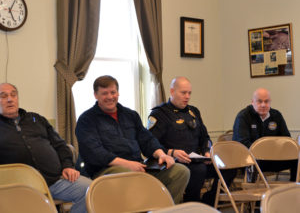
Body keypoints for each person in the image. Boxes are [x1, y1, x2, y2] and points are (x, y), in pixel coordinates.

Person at [75, 75, 190, 204]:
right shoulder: (86, 120)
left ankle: (163, 209)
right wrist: (127, 164)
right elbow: (94, 153)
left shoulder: (130, 115)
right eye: (104, 93)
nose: (110, 97)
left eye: (113, 92)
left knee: (180, 172)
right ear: (96, 95)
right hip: (105, 171)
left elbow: (147, 139)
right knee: (126, 173)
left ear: (118, 93)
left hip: (138, 167)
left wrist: (161, 154)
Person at [0, 83, 91, 213]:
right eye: (3, 96)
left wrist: (68, 166)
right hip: (19, 188)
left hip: (55, 181)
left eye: (13, 95)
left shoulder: (36, 119)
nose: (9, 99)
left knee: (91, 190)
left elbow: (60, 145)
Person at [148, 77, 236, 206]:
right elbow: (151, 144)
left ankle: (207, 203)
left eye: (189, 93)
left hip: (197, 159)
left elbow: (205, 137)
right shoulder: (160, 114)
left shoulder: (193, 111)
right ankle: (191, 205)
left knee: (229, 168)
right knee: (198, 170)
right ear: (172, 92)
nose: (187, 96)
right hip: (175, 161)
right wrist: (171, 153)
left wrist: (206, 152)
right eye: (183, 93)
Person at [233, 87, 297, 181]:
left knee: (296, 158)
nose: (263, 105)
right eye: (259, 101)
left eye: (266, 101)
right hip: (250, 159)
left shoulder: (276, 115)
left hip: (272, 158)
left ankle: (294, 189)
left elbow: (286, 139)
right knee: (252, 161)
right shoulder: (243, 116)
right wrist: (264, 151)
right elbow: (243, 144)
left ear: (270, 102)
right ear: (252, 102)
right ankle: (252, 192)